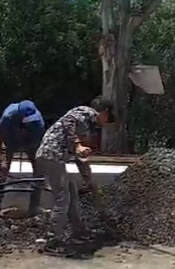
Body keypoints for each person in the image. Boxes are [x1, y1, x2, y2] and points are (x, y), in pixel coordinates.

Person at [35, 96, 115, 251]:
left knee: (71, 190)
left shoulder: (87, 126)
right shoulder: (86, 112)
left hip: (55, 157)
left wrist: (88, 179)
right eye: (107, 121)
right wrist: (78, 145)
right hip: (51, 155)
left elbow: (80, 158)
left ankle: (79, 232)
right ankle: (53, 240)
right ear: (104, 113)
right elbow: (68, 121)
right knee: (62, 197)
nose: (105, 125)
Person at [0, 100, 46, 219]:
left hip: (30, 140)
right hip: (10, 140)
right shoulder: (7, 117)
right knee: (2, 171)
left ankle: (34, 207)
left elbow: (40, 144)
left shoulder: (37, 122)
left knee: (39, 171)